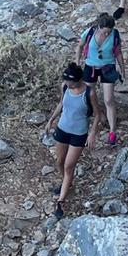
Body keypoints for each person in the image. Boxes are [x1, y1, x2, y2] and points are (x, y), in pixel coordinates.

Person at [42, 63, 93, 221]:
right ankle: (67, 181)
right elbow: (61, 103)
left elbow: (97, 114)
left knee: (69, 166)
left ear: (78, 80)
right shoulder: (65, 87)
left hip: (79, 133)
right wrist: (51, 119)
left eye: (71, 82)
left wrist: (92, 134)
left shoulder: (89, 93)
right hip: (63, 129)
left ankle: (61, 201)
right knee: (59, 162)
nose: (68, 84)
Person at [75, 12, 124, 147]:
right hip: (90, 67)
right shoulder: (90, 32)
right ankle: (98, 115)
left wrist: (123, 69)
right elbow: (80, 46)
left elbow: (118, 52)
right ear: (99, 27)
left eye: (109, 32)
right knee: (89, 97)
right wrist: (77, 62)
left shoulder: (115, 34)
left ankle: (112, 131)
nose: (107, 34)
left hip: (108, 67)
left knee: (109, 99)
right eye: (105, 32)